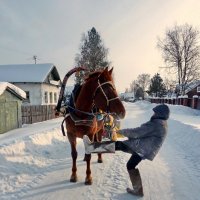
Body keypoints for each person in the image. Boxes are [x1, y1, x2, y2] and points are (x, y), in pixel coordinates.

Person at [83, 104, 170, 197]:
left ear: (159, 114)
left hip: (142, 148)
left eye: (155, 112)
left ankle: (91, 147)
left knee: (118, 145)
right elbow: (142, 133)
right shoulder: (161, 123)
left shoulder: (157, 124)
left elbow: (136, 132)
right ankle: (138, 191)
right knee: (130, 165)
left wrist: (119, 132)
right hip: (144, 148)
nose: (153, 114)